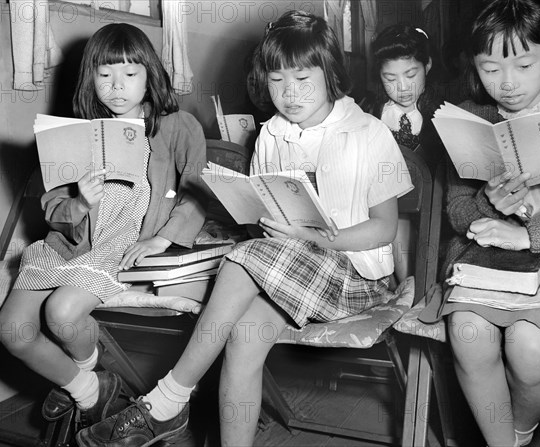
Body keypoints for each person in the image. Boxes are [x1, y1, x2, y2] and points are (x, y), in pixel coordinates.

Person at [76, 10, 413, 447]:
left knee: (240, 259)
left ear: (330, 73)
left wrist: (312, 237)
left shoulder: (368, 133)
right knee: (243, 337)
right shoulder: (270, 133)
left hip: (357, 274)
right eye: (276, 81)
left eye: (302, 79)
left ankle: (167, 401)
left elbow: (384, 229)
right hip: (287, 268)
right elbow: (258, 215)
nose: (289, 94)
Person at [0, 23, 207, 429]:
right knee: (12, 331)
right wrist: (78, 202)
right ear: (90, 78)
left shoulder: (178, 126)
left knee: (62, 313)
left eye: (130, 74)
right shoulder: (73, 132)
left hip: (123, 246)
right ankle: (89, 385)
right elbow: (52, 206)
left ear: (151, 75)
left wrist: (165, 237)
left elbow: (200, 191)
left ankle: (85, 377)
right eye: (105, 75)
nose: (117, 86)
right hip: (66, 246)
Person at [420, 1, 540, 446]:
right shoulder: (472, 117)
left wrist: (529, 234)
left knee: (530, 349)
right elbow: (457, 209)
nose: (506, 84)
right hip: (487, 264)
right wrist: (489, 204)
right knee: (468, 331)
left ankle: (518, 434)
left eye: (525, 64)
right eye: (489, 67)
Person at [366, 24, 445, 172]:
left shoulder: (442, 116)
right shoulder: (369, 115)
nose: (402, 87)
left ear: (427, 65)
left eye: (410, 75)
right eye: (390, 79)